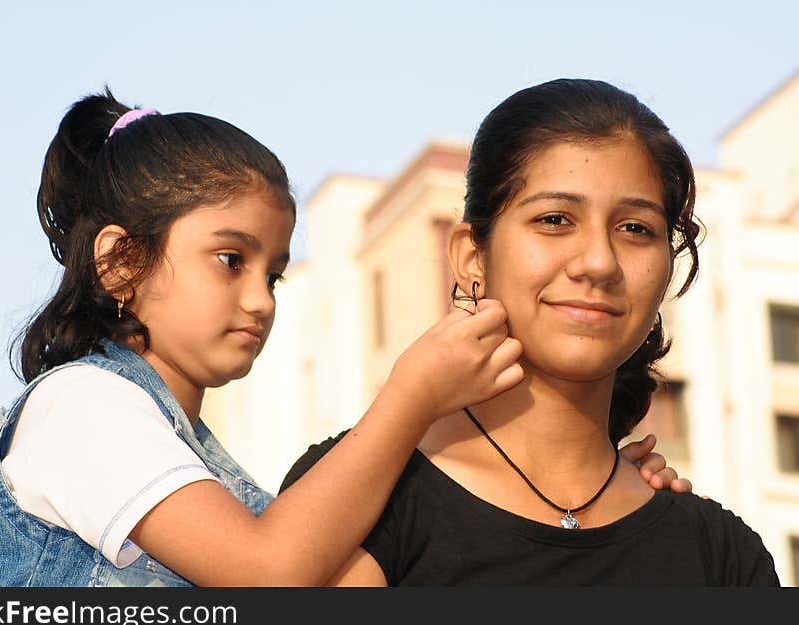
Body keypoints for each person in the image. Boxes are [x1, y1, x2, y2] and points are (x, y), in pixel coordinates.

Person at [0, 87, 686, 588]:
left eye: (273, 274)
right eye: (230, 260)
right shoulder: (80, 404)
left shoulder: (191, 456)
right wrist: (412, 396)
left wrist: (600, 498)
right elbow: (272, 573)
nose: (259, 299)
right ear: (120, 260)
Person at [280, 78, 780, 586]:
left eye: (635, 229)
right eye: (556, 219)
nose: (598, 262)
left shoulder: (721, 556)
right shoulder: (352, 508)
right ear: (472, 259)